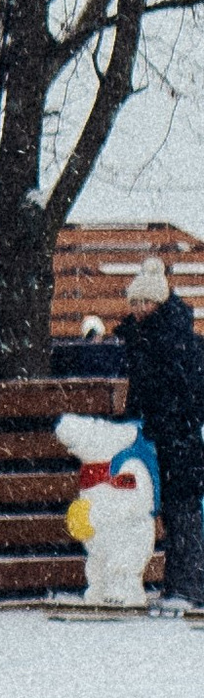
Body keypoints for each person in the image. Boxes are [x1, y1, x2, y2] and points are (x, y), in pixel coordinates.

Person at [118, 257, 204, 614]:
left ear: (159, 301)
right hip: (163, 436)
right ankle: (181, 582)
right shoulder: (149, 340)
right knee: (175, 511)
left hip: (176, 438)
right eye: (134, 302)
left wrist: (170, 419)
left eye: (144, 302)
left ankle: (189, 584)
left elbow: (188, 391)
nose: (138, 309)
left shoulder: (172, 342)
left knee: (181, 511)